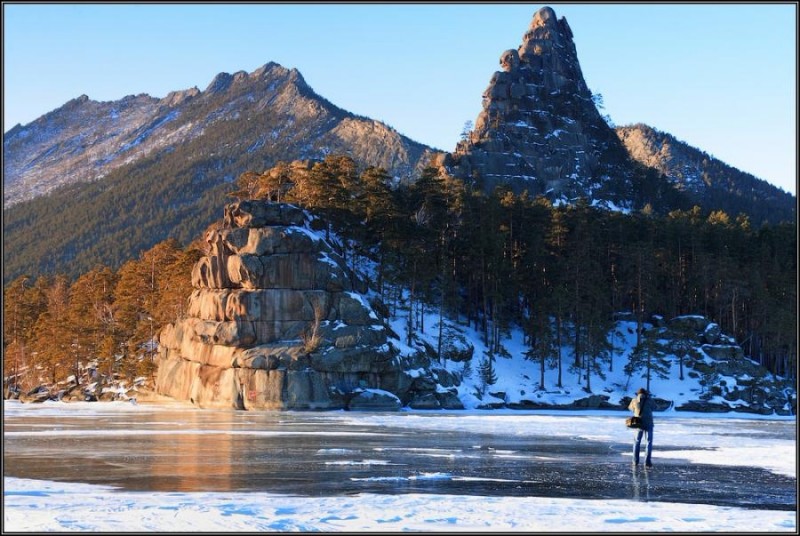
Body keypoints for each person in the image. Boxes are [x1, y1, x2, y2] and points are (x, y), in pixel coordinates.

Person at [628, 387, 655, 467]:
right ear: (646, 394)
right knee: (649, 442)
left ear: (638, 394)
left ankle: (635, 461)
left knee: (636, 442)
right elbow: (655, 407)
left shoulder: (634, 400)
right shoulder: (650, 400)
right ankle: (647, 462)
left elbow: (630, 408)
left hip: (638, 423)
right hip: (649, 423)